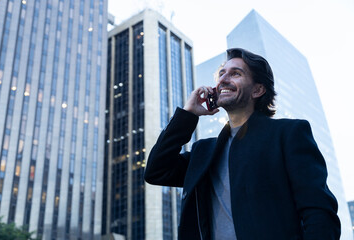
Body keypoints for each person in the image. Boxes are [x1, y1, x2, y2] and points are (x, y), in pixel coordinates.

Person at [144, 48, 341, 240]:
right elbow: (156, 171)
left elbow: (320, 213)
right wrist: (188, 114)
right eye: (221, 74)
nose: (223, 79)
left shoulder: (288, 134)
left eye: (235, 73)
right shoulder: (203, 152)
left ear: (257, 89)